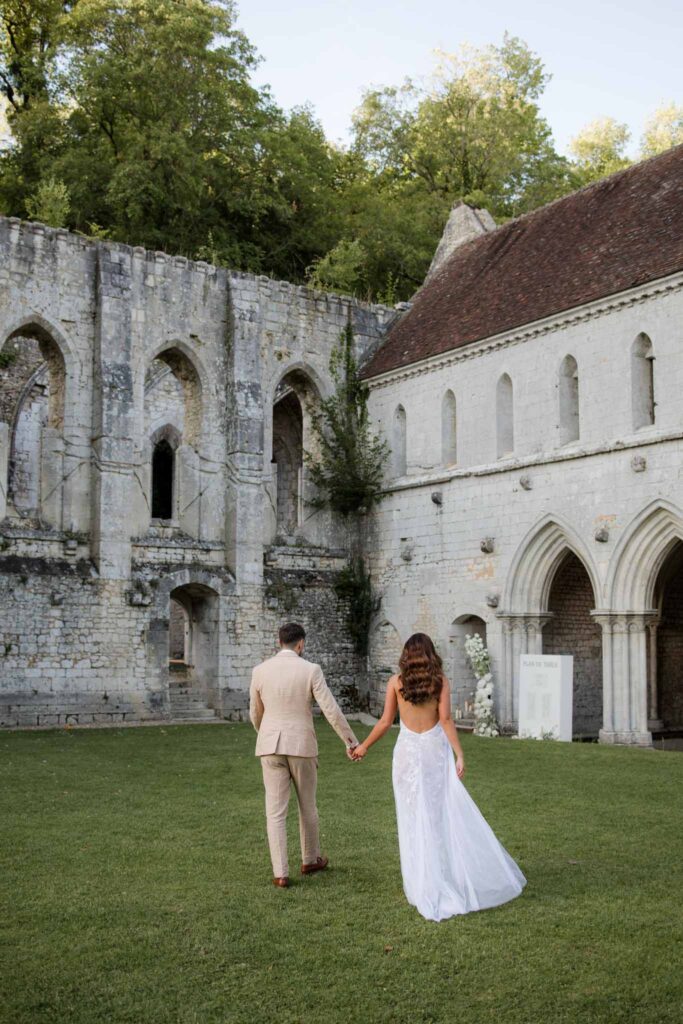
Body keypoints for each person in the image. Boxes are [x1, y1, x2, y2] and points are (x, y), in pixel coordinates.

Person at [351, 632, 526, 921]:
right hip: (433, 751)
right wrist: (459, 753)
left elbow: (385, 721)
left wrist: (364, 747)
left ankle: (422, 882)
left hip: (406, 753)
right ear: (430, 654)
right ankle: (435, 877)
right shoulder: (440, 681)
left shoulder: (396, 682)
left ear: (407, 655)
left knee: (410, 817)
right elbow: (445, 720)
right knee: (436, 816)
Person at [249, 621, 359, 888]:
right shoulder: (310, 669)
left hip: (270, 745)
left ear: (279, 642)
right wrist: (350, 741)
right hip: (301, 745)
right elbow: (330, 709)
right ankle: (309, 860)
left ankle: (281, 873)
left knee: (275, 812)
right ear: (301, 644)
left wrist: (264, 734)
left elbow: (255, 711)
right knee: (307, 805)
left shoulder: (260, 670)